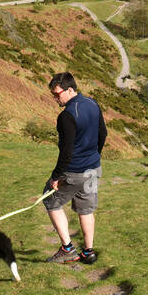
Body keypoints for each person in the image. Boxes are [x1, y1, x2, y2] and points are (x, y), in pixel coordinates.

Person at [42, 72, 105, 264]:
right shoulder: (93, 104)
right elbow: (103, 133)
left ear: (70, 90)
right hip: (93, 169)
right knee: (86, 209)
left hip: (74, 172)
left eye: (57, 94)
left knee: (50, 200)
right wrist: (95, 156)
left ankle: (67, 248)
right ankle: (88, 252)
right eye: (53, 94)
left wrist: (56, 176)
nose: (55, 98)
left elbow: (66, 151)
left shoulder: (66, 116)